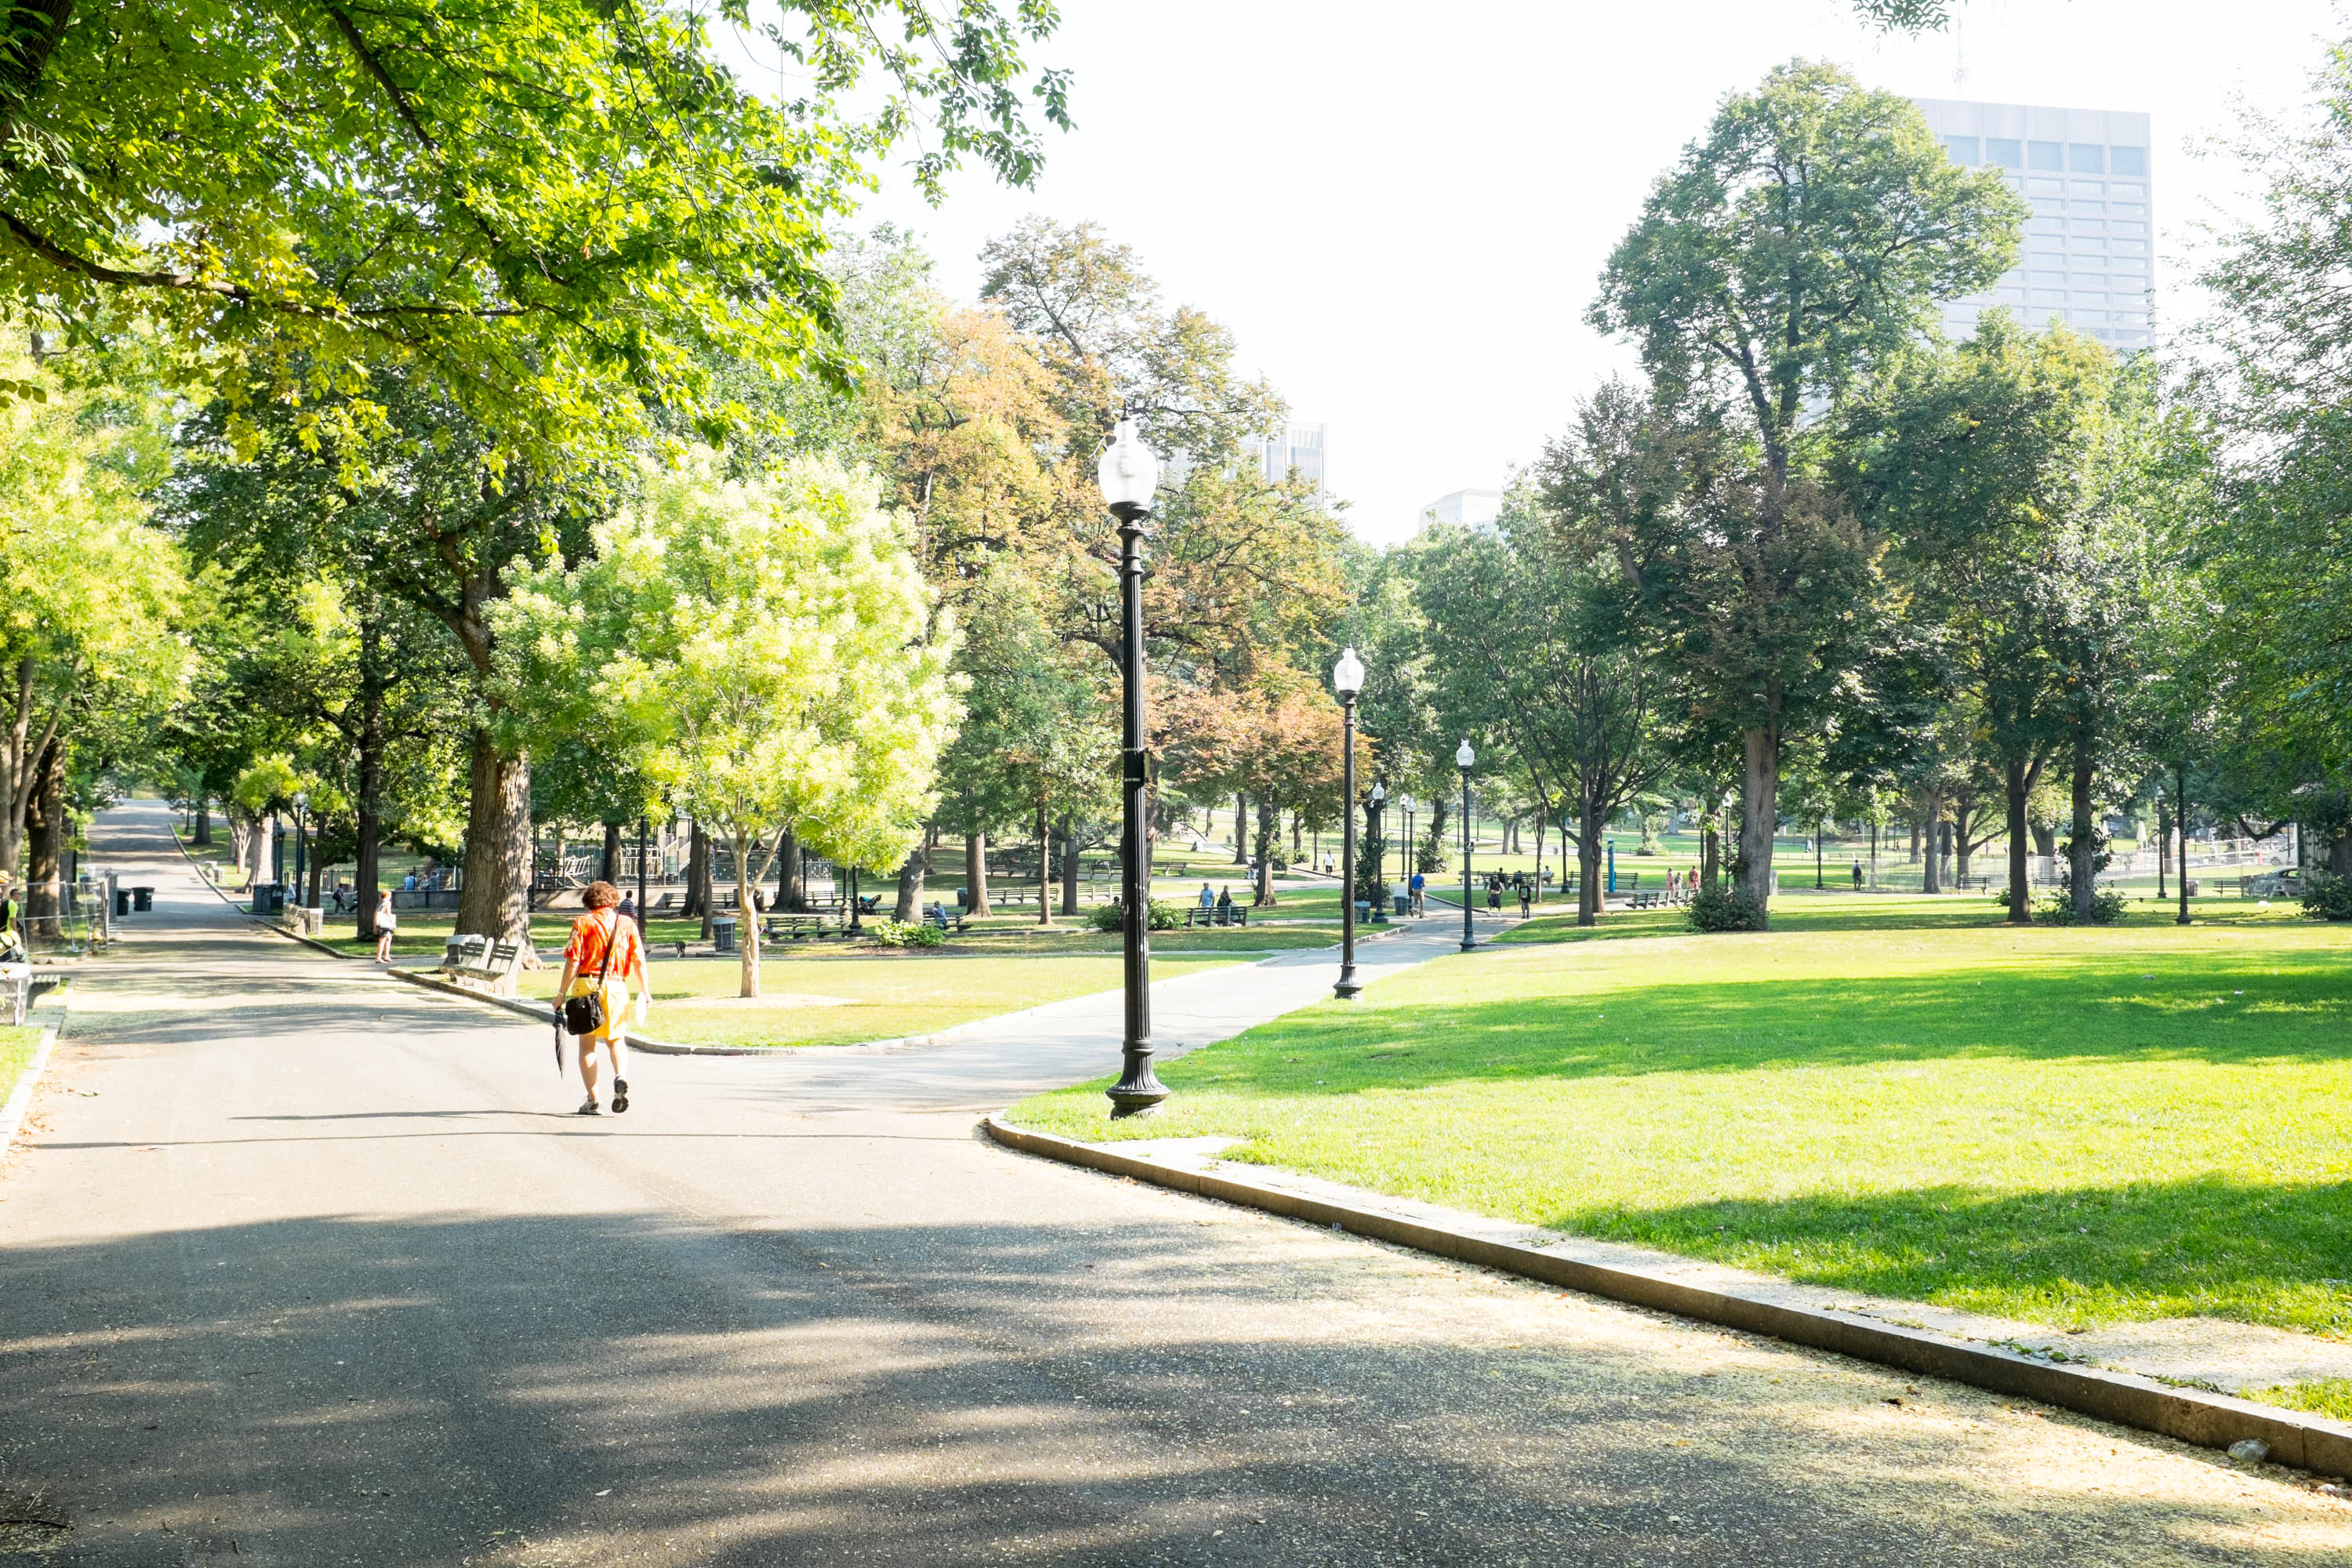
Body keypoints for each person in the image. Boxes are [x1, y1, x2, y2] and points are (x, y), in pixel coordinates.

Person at [557, 880, 650, 1116]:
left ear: (589, 901)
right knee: (617, 1040)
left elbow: (573, 960)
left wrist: (560, 994)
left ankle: (593, 1099)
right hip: (617, 985)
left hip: (587, 984)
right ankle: (620, 1076)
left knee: (587, 1045)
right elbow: (639, 960)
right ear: (614, 900)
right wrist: (645, 990)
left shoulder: (583, 922)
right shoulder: (627, 923)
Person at [372, 889, 397, 964]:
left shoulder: (380, 902)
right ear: (387, 895)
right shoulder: (388, 903)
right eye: (390, 895)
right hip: (385, 924)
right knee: (383, 939)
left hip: (380, 923)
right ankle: (378, 957)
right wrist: (393, 923)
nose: (391, 896)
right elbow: (388, 913)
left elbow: (376, 913)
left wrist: (374, 926)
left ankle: (386, 955)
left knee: (389, 937)